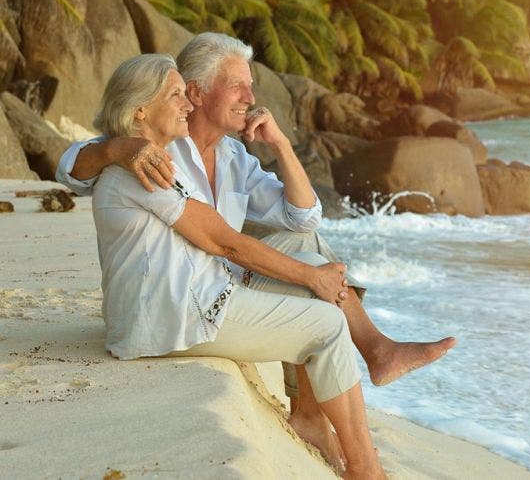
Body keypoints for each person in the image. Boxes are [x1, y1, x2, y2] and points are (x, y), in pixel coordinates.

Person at [56, 33, 455, 450]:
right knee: (313, 288)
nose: (251, 97)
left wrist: (280, 144)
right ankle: (359, 373)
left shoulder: (232, 155)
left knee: (306, 241)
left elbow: (303, 216)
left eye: (251, 85)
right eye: (237, 85)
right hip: (181, 297)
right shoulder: (152, 150)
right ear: (197, 91)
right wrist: (117, 147)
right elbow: (72, 168)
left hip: (212, 278)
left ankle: (328, 395)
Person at [89, 53, 384, 478]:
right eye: (176, 96)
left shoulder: (152, 159)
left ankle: (316, 417)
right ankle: (365, 469)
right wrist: (312, 277)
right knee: (327, 325)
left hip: (170, 305)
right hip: (173, 318)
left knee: (310, 273)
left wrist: (311, 275)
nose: (187, 106)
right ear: (140, 111)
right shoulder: (141, 168)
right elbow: (222, 241)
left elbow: (298, 219)